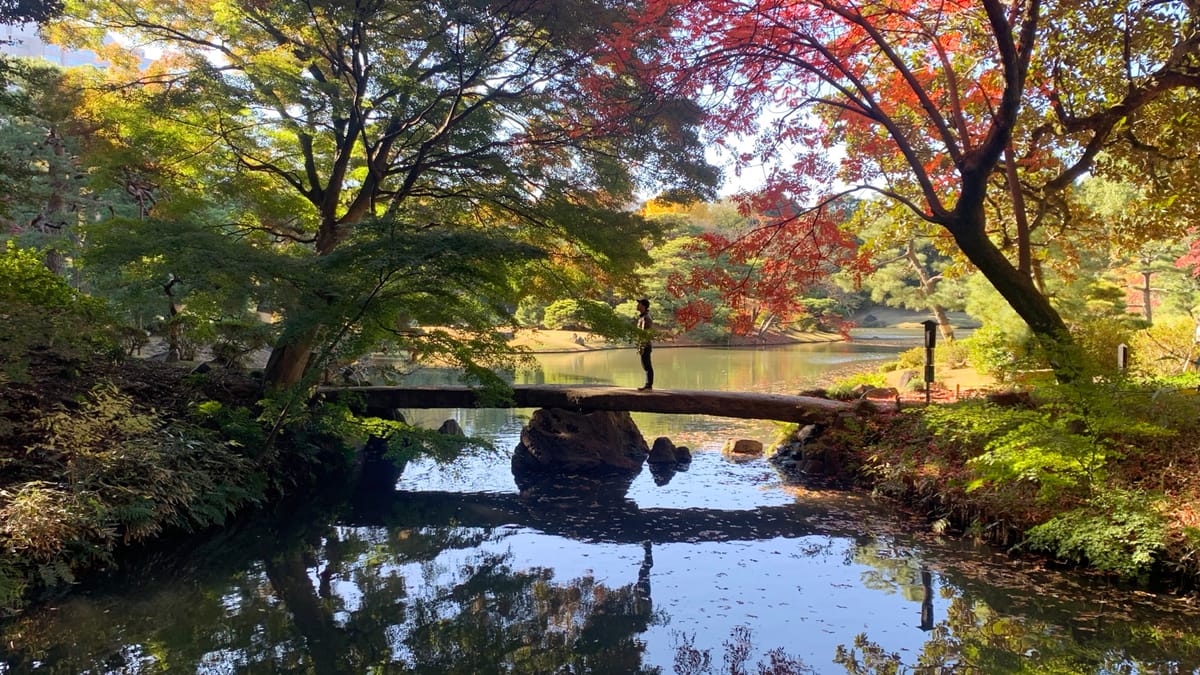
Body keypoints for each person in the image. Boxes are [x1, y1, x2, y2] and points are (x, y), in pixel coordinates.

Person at [636, 297, 653, 391]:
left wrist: (642, 346)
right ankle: (648, 385)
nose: (637, 305)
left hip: (645, 345)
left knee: (647, 365)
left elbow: (645, 333)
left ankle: (648, 385)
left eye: (639, 304)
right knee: (645, 365)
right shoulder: (643, 317)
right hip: (644, 344)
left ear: (643, 306)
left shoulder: (646, 318)